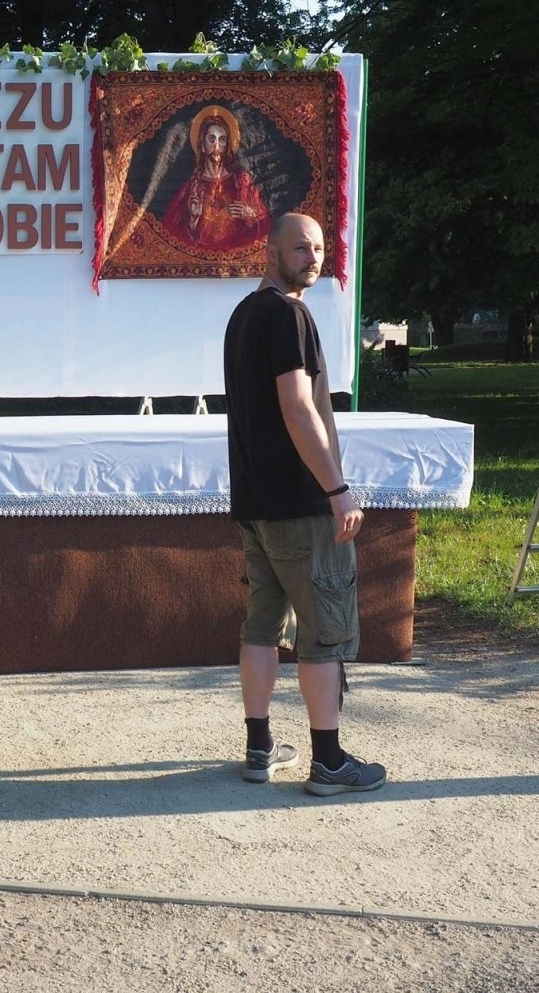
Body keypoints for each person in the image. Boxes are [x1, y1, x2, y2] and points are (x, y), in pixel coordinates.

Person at [223, 212, 387, 796]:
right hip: (298, 502)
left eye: (318, 248)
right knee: (325, 631)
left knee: (262, 627)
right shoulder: (287, 314)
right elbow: (297, 406)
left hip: (256, 501)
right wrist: (336, 489)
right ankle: (329, 762)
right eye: (299, 248)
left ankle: (259, 746)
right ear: (271, 252)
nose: (312, 257)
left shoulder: (244, 315)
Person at [161, 105, 270, 252]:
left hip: (235, 259)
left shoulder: (241, 180)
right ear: (203, 145)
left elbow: (265, 226)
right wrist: (193, 219)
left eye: (222, 140)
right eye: (211, 139)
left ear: (228, 146)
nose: (217, 146)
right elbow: (171, 233)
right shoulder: (192, 186)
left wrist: (250, 215)